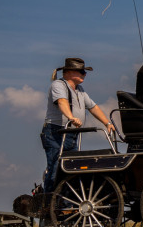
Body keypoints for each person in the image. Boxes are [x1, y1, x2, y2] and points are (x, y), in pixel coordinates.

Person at [40, 57, 115, 192]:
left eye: (84, 72)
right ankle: (49, 202)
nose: (84, 74)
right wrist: (71, 117)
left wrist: (107, 123)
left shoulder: (80, 90)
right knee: (56, 168)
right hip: (56, 132)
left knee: (72, 169)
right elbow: (62, 102)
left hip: (71, 134)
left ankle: (67, 204)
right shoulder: (58, 85)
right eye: (81, 71)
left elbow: (93, 107)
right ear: (68, 72)